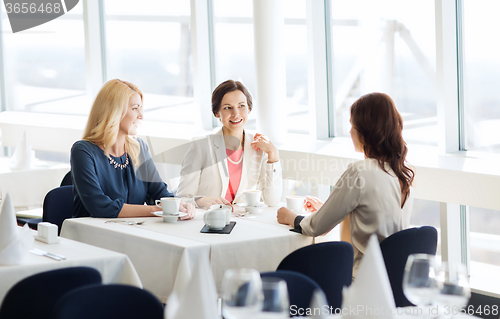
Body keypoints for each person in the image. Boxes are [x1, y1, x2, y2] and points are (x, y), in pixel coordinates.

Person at [277, 92, 415, 276]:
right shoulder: (402, 173)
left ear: (367, 132)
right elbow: (377, 218)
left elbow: (316, 227)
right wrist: (332, 210)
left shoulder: (360, 171)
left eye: (353, 125)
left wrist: (292, 217)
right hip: (395, 278)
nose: (350, 131)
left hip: (363, 279)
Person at [71, 79, 194, 218]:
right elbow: (100, 207)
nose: (141, 115)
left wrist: (179, 204)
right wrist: (155, 210)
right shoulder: (83, 151)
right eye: (135, 108)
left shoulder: (139, 148)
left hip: (131, 231)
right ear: (114, 111)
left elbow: (160, 193)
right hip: (92, 234)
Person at [177, 80, 282, 209]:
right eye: (228, 108)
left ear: (249, 108)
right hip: (207, 222)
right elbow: (182, 199)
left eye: (241, 106)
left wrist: (273, 154)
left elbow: (272, 201)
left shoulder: (259, 147)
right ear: (216, 113)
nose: (236, 114)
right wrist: (201, 201)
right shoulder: (201, 146)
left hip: (242, 222)